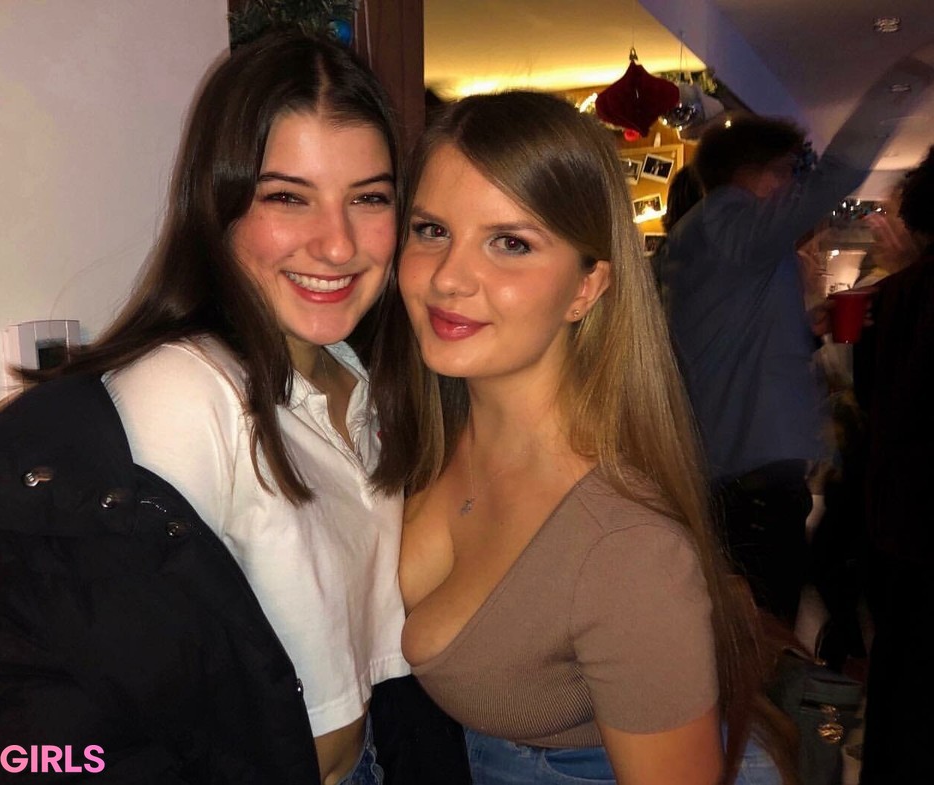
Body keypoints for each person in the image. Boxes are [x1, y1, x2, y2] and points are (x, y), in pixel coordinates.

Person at [0, 31, 441, 785]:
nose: (337, 243)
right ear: (219, 207)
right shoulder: (187, 394)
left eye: (369, 198)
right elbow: (43, 691)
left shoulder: (365, 381)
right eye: (287, 197)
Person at [368, 91, 794, 785]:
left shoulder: (625, 548)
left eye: (510, 242)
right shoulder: (422, 429)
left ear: (587, 287)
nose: (448, 277)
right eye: (432, 230)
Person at [655, 58, 934, 626]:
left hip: (722, 475)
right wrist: (902, 82)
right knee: (761, 638)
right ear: (754, 174)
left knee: (738, 633)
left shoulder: (704, 238)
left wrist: (806, 331)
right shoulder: (734, 225)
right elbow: (834, 177)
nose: (792, 185)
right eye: (787, 170)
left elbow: (722, 344)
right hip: (750, 485)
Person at [852, 145, 934, 784]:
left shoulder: (899, 295)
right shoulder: (906, 292)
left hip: (904, 516)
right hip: (911, 513)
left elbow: (874, 399)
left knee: (903, 677)